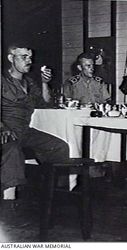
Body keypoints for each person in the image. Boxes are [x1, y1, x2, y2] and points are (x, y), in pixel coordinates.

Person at [1, 44, 70, 200]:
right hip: (5, 131)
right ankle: (9, 203)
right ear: (11, 58)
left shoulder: (30, 83)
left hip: (24, 131)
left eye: (30, 57)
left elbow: (45, 103)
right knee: (12, 151)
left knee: (59, 147)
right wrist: (2, 128)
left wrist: (45, 82)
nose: (29, 60)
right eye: (23, 57)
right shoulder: (2, 81)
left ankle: (56, 194)